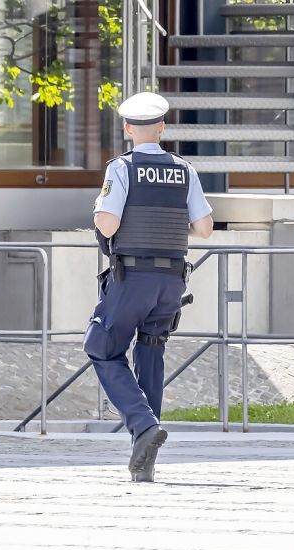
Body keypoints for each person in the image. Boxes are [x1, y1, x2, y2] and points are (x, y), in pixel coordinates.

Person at [84, 91, 214, 482]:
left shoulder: (121, 169)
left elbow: (106, 223)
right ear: (161, 127)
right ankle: (145, 456)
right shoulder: (183, 170)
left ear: (127, 129)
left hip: (133, 277)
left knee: (102, 347)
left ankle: (143, 425)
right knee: (151, 352)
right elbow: (205, 229)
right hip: (171, 281)